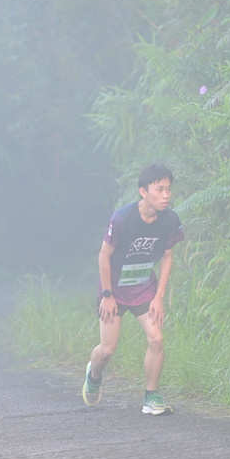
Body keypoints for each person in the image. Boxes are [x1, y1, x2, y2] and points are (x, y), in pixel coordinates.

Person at [82, 163, 184, 414]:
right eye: (159, 189)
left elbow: (167, 256)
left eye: (168, 189)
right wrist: (107, 295)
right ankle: (93, 375)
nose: (166, 195)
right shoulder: (122, 218)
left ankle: (151, 397)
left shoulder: (170, 219)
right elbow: (104, 256)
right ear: (143, 192)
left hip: (143, 287)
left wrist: (159, 296)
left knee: (156, 339)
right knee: (107, 350)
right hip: (114, 288)